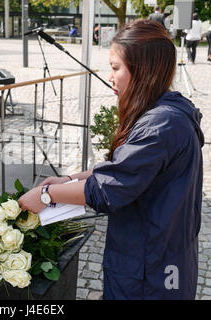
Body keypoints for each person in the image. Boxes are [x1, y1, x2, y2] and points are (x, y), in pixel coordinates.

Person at [18, 19, 204, 300]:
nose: (111, 76)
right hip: (156, 257)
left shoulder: (160, 124)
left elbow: (108, 188)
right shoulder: (166, 111)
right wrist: (71, 179)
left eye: (116, 67)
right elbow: (126, 168)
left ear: (143, 71)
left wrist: (46, 195)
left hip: (151, 272)